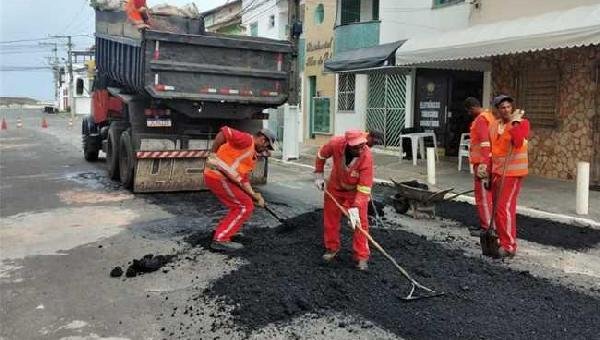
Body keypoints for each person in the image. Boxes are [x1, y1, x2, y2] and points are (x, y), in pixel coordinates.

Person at [204, 126, 276, 251]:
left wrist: (254, 195)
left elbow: (243, 179)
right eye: (267, 146)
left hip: (223, 178)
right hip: (218, 176)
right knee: (244, 206)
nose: (266, 150)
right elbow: (224, 132)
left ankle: (226, 230)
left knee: (244, 203)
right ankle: (221, 238)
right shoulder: (247, 140)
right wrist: (213, 153)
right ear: (263, 139)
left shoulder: (252, 154)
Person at [314, 130, 374, 271]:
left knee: (359, 223)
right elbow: (321, 155)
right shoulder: (335, 144)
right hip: (335, 187)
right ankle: (332, 248)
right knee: (331, 219)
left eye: (362, 146)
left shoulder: (366, 157)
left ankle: (361, 256)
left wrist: (355, 209)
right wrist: (318, 174)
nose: (360, 149)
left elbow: (364, 189)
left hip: (356, 192)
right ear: (347, 144)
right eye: (356, 147)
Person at [489, 95, 529, 258]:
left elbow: (518, 142)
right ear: (497, 110)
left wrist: (515, 123)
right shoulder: (494, 126)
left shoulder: (522, 123)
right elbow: (494, 150)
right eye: (502, 107)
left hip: (512, 173)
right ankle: (502, 239)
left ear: (512, 108)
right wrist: (488, 172)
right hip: (498, 172)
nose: (506, 110)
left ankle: (509, 245)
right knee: (500, 209)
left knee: (502, 208)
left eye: (508, 107)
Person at [464, 97, 495, 236]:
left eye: (469, 111)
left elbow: (485, 143)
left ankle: (487, 228)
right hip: (488, 161)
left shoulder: (481, 120)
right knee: (487, 196)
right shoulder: (489, 117)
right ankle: (489, 225)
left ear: (471, 108)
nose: (469, 113)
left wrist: (483, 164)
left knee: (482, 196)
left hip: (483, 164)